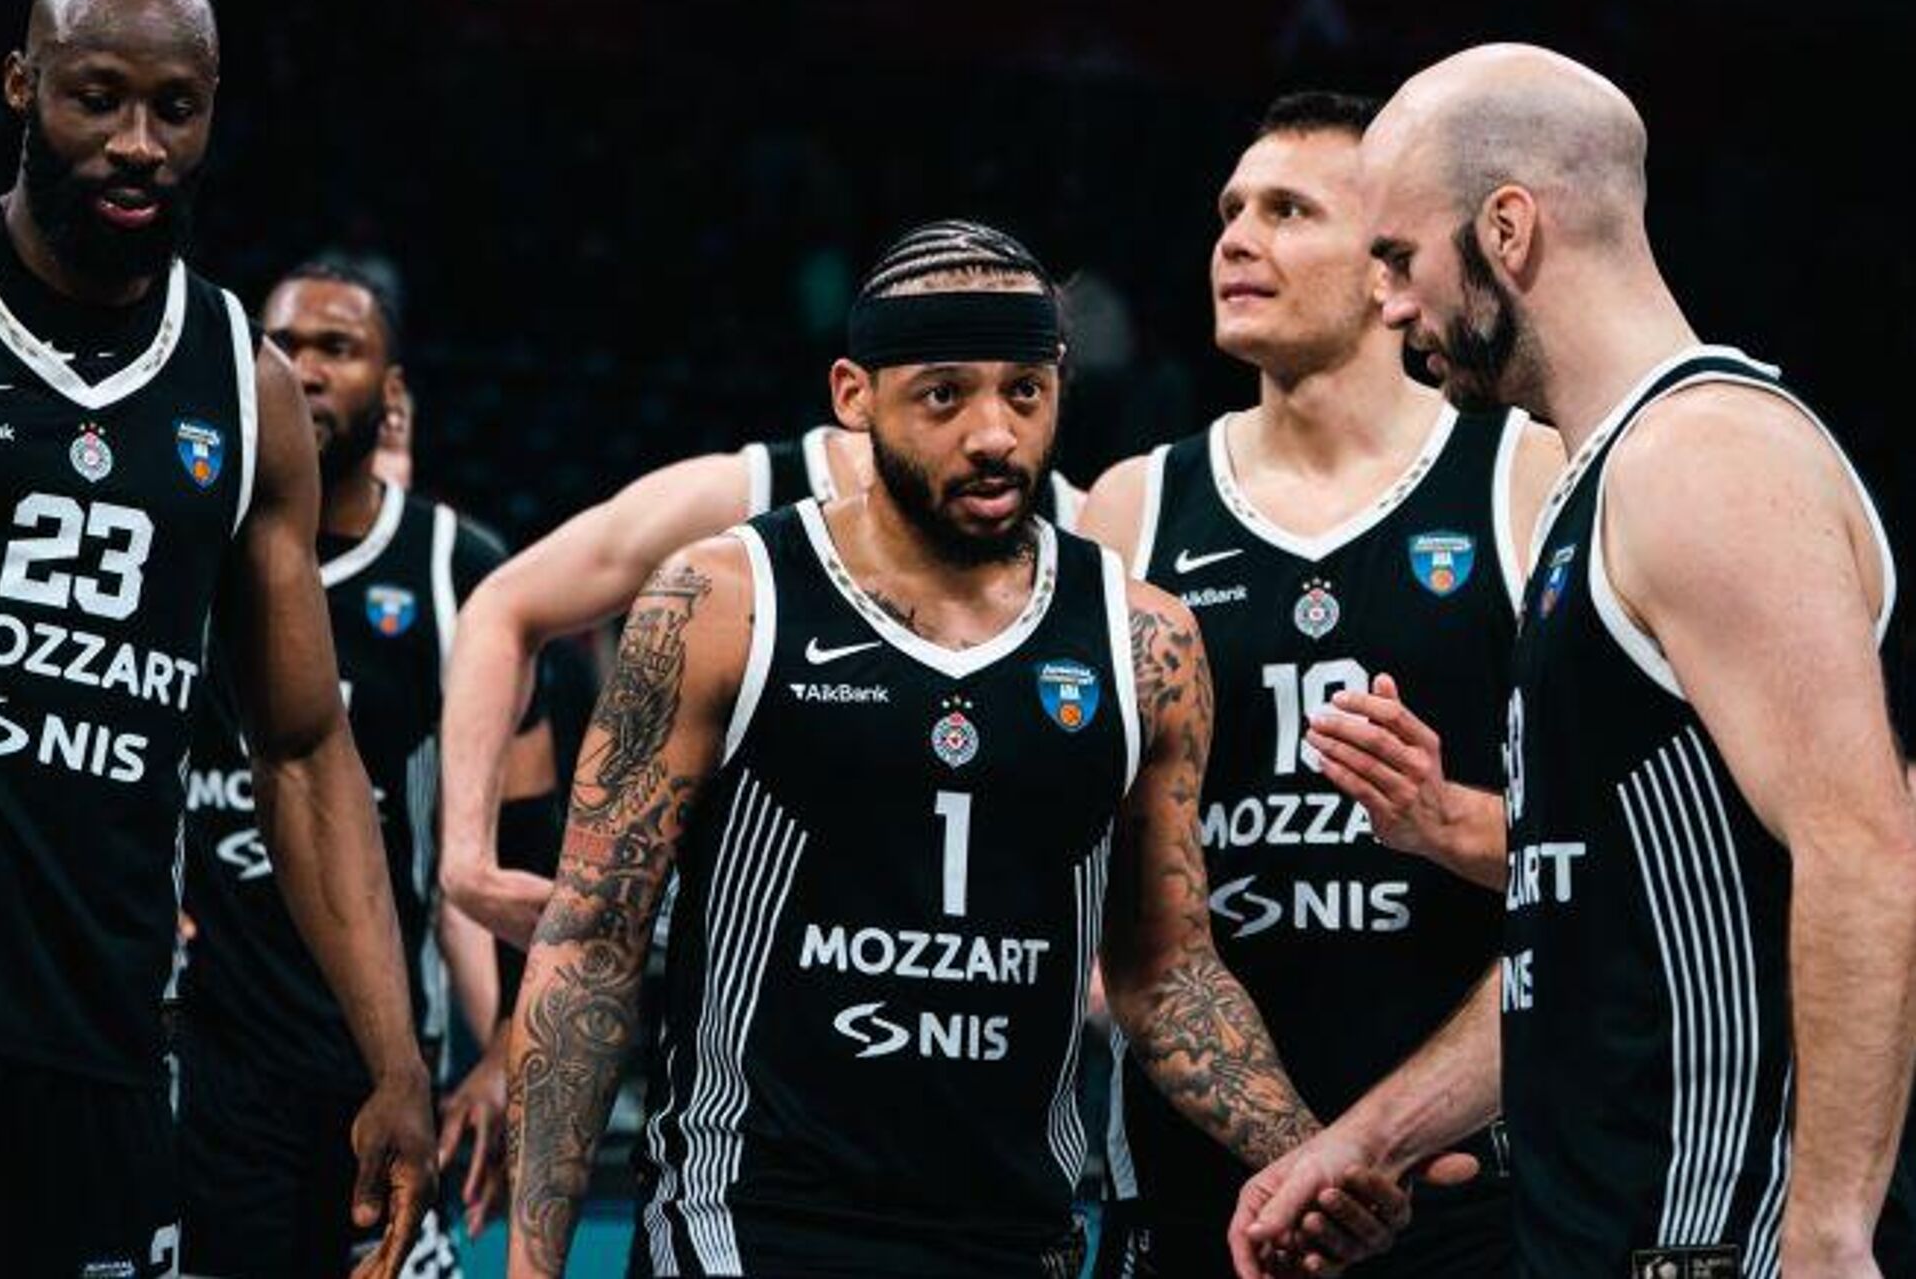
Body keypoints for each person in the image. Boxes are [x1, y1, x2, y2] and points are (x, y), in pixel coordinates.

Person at [504, 220, 1403, 1278]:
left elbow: (1166, 971)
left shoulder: (1144, 638)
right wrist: (531, 1266)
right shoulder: (721, 601)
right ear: (855, 395)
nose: (994, 435)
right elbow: (593, 940)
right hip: (751, 1218)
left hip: (1018, 1232)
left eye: (1025, 392)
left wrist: (1310, 1153)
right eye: (944, 395)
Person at [1231, 44, 1916, 1279]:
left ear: (1507, 229)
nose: (1390, 305)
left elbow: (1867, 850)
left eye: (1401, 257)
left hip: (1716, 1238)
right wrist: (1371, 1136)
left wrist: (1829, 1231)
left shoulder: (1704, 459)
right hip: (1594, 1237)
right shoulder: (1592, 488)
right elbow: (1582, 932)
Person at [0, 0, 434, 1277]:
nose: (138, 142)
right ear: (21, 88)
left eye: (174, 108)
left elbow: (300, 751)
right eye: (97, 98)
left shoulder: (244, 388)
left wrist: (394, 1055)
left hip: (107, 1053)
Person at [1078, 91, 1561, 1278]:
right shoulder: (1134, 507)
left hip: (1468, 1187)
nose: (1237, 239)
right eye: (1231, 210)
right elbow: (1091, 883)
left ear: (1390, 268)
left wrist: (1447, 820)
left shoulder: (1527, 475)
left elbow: (1624, 865)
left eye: (1289, 211)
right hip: (1197, 1190)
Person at [176, 259, 557, 1275]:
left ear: (391, 392)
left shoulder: (458, 570)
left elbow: (531, 842)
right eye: (285, 345)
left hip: (380, 1066)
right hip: (202, 1070)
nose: (303, 368)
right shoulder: (191, 537)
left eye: (336, 348)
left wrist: (506, 1052)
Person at [441, 406, 1080, 951]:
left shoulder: (1081, 530)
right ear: (859, 388)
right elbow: (503, 606)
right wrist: (469, 866)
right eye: (946, 386)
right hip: (735, 985)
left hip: (988, 985)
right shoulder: (746, 494)